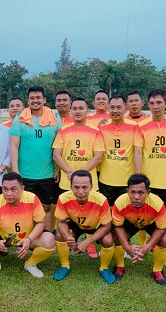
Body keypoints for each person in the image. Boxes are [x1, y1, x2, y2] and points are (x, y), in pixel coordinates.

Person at [0, 172, 55, 279]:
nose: (8, 193)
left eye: (13, 189)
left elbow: (41, 223)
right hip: (5, 238)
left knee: (49, 239)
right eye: (5, 189)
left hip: (28, 237)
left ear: (22, 188)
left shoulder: (32, 199)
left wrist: (29, 239)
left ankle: (30, 264)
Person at [134, 89, 166, 265]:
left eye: (159, 103)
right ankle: (144, 245)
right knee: (145, 213)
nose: (156, 107)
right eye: (152, 103)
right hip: (149, 180)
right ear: (148, 105)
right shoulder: (141, 126)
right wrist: (139, 177)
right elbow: (138, 153)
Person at [52, 97, 104, 258]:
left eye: (81, 108)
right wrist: (69, 171)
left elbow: (98, 157)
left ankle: (89, 245)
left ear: (88, 111)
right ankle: (65, 242)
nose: (77, 111)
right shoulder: (63, 130)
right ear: (70, 110)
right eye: (74, 108)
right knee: (66, 215)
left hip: (89, 182)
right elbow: (56, 155)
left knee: (90, 214)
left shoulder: (95, 130)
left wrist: (80, 174)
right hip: (66, 180)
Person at [10, 86, 62, 231]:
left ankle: (48, 234)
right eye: (32, 98)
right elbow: (14, 146)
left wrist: (57, 169)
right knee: (26, 207)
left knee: (46, 206)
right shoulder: (19, 119)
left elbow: (59, 146)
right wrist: (15, 170)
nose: (35, 101)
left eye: (38, 97)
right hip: (25, 173)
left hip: (47, 172)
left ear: (44, 99)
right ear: (28, 101)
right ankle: (27, 236)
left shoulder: (55, 118)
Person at [53, 170, 115, 283]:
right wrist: (67, 236)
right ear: (70, 186)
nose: (80, 191)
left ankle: (104, 268)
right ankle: (64, 266)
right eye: (76, 187)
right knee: (59, 236)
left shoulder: (101, 200)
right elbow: (61, 221)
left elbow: (106, 226)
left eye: (85, 187)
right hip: (76, 224)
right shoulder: (63, 198)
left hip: (97, 225)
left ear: (91, 186)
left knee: (108, 240)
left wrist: (86, 242)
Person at [112, 174, 166, 285]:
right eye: (132, 192)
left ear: (148, 192)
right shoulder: (120, 202)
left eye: (141, 193)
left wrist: (147, 247)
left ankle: (157, 270)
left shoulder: (157, 203)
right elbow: (118, 226)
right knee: (115, 238)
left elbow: (162, 227)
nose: (136, 197)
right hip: (130, 222)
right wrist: (127, 247)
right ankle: (119, 266)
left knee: (165, 240)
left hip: (150, 223)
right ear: (127, 191)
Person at [98, 95, 138, 206]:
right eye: (112, 107)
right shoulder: (101, 127)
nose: (115, 111)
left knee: (125, 212)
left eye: (119, 107)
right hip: (105, 180)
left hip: (126, 180)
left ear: (126, 108)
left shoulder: (135, 127)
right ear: (108, 108)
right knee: (107, 212)